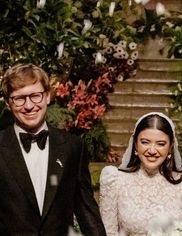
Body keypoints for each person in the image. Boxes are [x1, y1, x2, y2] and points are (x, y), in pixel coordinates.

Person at [0, 63, 106, 236]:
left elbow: (86, 209)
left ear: (47, 96)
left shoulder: (73, 147)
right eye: (19, 98)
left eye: (35, 96)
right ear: (8, 103)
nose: (28, 105)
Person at [99, 112, 182, 235]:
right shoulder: (115, 181)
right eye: (145, 142)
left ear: (170, 147)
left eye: (161, 144)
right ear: (135, 144)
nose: (152, 150)